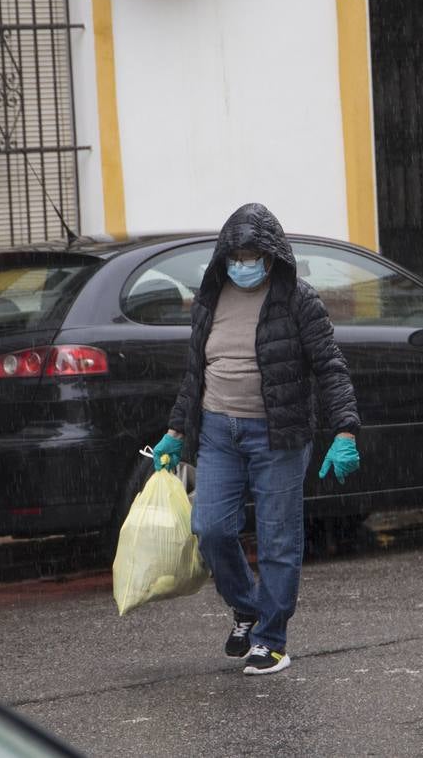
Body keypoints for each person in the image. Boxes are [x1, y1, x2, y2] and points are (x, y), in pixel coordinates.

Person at [151, 202, 361, 676]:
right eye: (237, 255)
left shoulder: (298, 300)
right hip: (218, 431)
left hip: (279, 435)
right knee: (211, 528)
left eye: (254, 256)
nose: (244, 264)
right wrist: (174, 431)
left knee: (278, 540)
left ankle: (271, 639)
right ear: (224, 255)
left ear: (273, 256)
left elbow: (331, 367)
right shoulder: (210, 297)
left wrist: (344, 430)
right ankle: (247, 607)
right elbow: (195, 373)